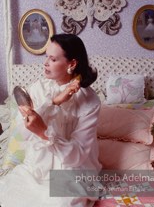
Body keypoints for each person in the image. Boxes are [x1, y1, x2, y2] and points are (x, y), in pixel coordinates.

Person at [0, 33, 102, 207]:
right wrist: (53, 103)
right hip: (35, 168)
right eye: (46, 57)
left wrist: (44, 133)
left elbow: (77, 155)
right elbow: (23, 134)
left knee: (61, 203)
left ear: (72, 64)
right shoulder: (37, 89)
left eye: (53, 59)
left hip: (70, 172)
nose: (45, 63)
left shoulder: (89, 101)